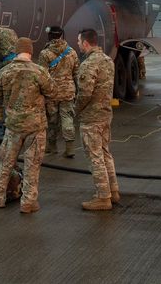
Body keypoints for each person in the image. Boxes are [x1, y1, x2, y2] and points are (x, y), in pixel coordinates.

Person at [0, 36, 53, 214]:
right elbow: (51, 91)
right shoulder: (40, 71)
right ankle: (28, 203)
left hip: (13, 126)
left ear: (16, 51)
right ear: (31, 52)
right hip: (35, 127)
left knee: (6, 163)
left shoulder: (5, 71)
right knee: (32, 165)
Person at [75, 28, 118, 211]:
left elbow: (85, 93)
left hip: (92, 117)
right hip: (105, 114)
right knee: (105, 152)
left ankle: (103, 197)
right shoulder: (108, 60)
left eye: (78, 42)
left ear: (85, 43)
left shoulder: (88, 64)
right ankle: (113, 191)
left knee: (95, 157)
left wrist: (75, 110)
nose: (77, 45)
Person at [38, 25, 80, 157]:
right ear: (62, 36)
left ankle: (52, 147)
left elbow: (42, 75)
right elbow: (77, 72)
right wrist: (77, 89)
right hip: (68, 91)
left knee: (52, 120)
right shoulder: (71, 51)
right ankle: (70, 148)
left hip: (52, 92)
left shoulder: (44, 54)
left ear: (49, 36)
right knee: (67, 118)